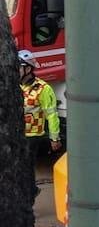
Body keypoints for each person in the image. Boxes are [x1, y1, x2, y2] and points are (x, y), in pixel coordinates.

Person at [21, 48, 60, 196]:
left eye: (19, 67)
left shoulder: (43, 89)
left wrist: (54, 138)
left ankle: (29, 194)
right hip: (16, 134)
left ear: (28, 69)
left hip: (32, 136)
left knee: (26, 167)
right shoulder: (13, 85)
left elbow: (52, 115)